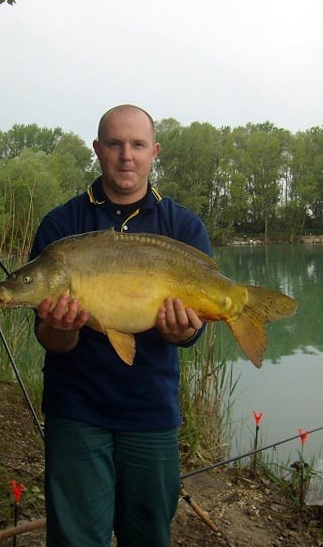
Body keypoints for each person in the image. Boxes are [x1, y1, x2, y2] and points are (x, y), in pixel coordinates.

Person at [30, 104, 212, 547]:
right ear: (98, 150)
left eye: (136, 145)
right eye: (114, 144)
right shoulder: (61, 225)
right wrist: (64, 327)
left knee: (148, 535)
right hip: (76, 409)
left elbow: (193, 332)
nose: (126, 156)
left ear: (154, 152)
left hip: (151, 410)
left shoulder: (183, 226)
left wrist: (183, 331)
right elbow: (49, 338)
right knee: (75, 539)